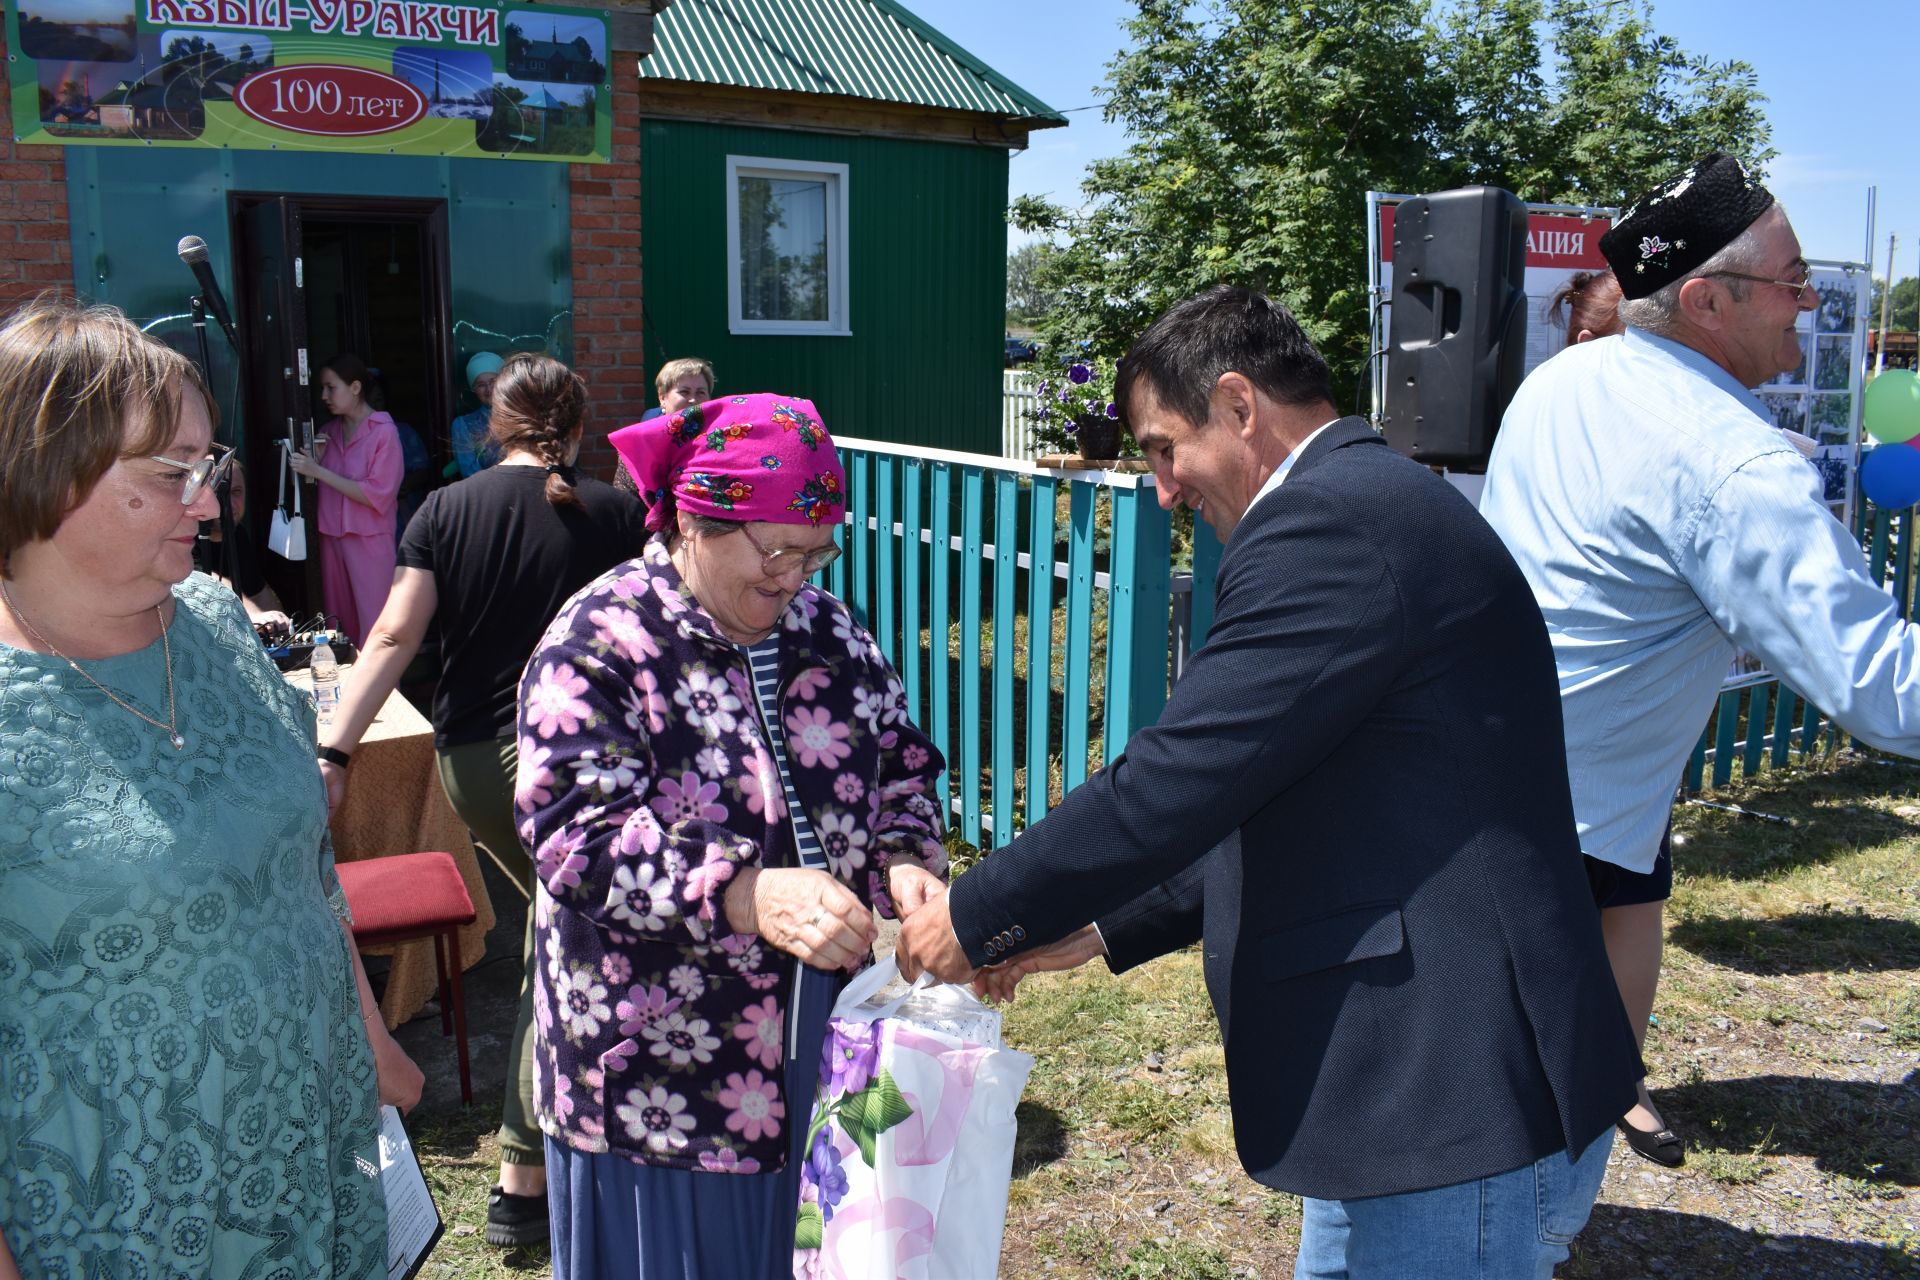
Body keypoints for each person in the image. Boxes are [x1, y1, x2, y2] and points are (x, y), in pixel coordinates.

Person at [897, 286, 1639, 1280]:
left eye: (1165, 448)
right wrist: (1095, 926)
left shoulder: (1328, 523)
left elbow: (1176, 778)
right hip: (1405, 1089)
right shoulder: (1362, 505)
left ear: (1241, 406)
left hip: (1455, 1095)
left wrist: (974, 910)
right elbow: (1282, 789)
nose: (1161, 486)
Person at [1481, 151, 1920, 1172]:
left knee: (1507, 1085)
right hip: (1578, 806)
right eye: (1792, 281)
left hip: (1508, 765)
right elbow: (1883, 689)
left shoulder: (1570, 380)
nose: (1809, 307)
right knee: (1532, 1128)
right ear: (1707, 298)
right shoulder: (1731, 460)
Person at [0, 295, 422, 1277]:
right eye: (170, 473)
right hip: (125, 1205)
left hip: (315, 1144)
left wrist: (371, 1040)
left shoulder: (220, 623)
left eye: (208, 463)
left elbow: (305, 870)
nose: (208, 498)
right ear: (44, 475)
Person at [519, 393, 949, 1278]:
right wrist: (746, 892)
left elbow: (901, 764)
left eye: (815, 549)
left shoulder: (831, 632)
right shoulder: (600, 640)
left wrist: (904, 861)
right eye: (776, 548)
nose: (794, 576)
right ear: (692, 518)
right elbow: (574, 837)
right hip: (661, 1071)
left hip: (822, 1038)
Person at [316, 353, 650, 1248]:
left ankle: (541, 1162)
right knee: (567, 933)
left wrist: (334, 745)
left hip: (473, 759)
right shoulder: (617, 512)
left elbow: (391, 634)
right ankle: (525, 1171)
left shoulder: (445, 509)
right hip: (586, 760)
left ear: (493, 425)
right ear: (577, 427)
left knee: (562, 927)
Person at [291, 354, 403, 647]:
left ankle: (386, 692)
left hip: (369, 538)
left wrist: (318, 470)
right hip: (332, 535)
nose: (324, 396)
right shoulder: (330, 431)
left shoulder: (383, 432)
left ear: (355, 387)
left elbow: (377, 493)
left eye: (331, 387)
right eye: (322, 389)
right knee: (338, 622)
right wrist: (314, 462)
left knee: (376, 623)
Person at [192, 460, 291, 632]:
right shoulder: (186, 535)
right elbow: (208, 581)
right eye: (220, 493)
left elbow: (259, 592)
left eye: (236, 492)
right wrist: (255, 617)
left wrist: (281, 627)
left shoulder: (238, 533)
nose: (229, 503)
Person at [613, 356, 714, 494]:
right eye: (684, 392)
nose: (693, 399)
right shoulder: (641, 443)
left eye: (701, 392)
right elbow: (625, 499)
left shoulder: (719, 440)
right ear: (662, 397)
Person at [450, 351, 504, 478]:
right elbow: (470, 474)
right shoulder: (463, 425)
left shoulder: (522, 416)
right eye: (481, 385)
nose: (489, 389)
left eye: (493, 381)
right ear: (474, 390)